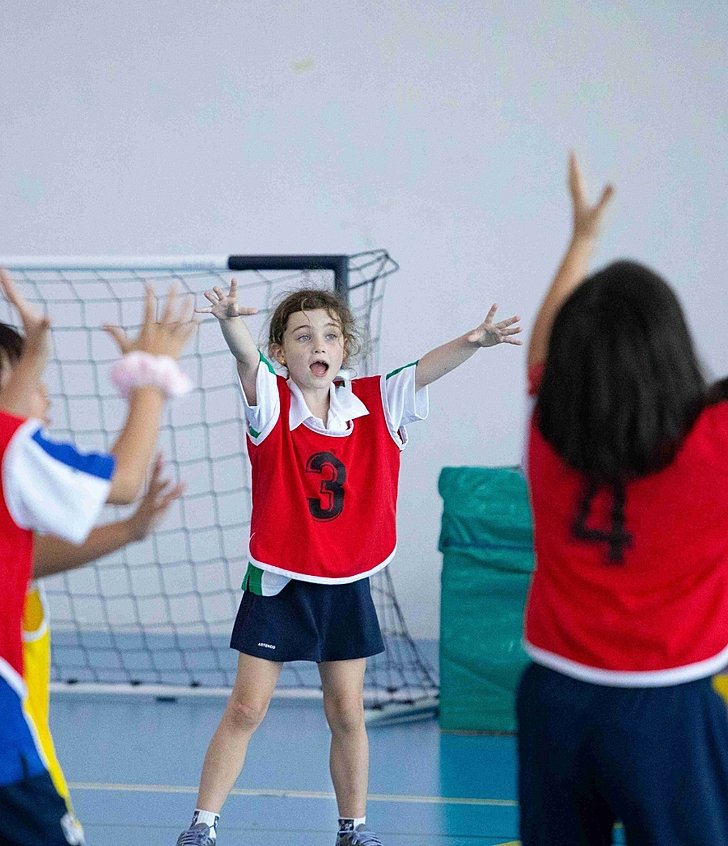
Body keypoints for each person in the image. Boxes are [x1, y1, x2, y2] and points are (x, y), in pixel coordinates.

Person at [175, 281, 522, 846]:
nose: (319, 343)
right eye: (303, 334)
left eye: (331, 335)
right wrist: (230, 322)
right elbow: (245, 357)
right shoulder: (271, 405)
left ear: (343, 349)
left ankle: (353, 828)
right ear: (283, 353)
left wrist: (475, 340)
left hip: (345, 579)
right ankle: (203, 824)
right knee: (246, 707)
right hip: (281, 578)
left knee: (347, 711)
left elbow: (424, 369)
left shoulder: (374, 401)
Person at [518, 153, 728, 845]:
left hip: (553, 700)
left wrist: (580, 241)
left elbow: (542, 351)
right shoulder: (714, 447)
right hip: (667, 709)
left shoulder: (548, 430)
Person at [0, 269, 195, 846]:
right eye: (37, 380)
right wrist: (151, 375)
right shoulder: (10, 448)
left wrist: (130, 532)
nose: (47, 399)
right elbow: (126, 478)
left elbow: (26, 559)